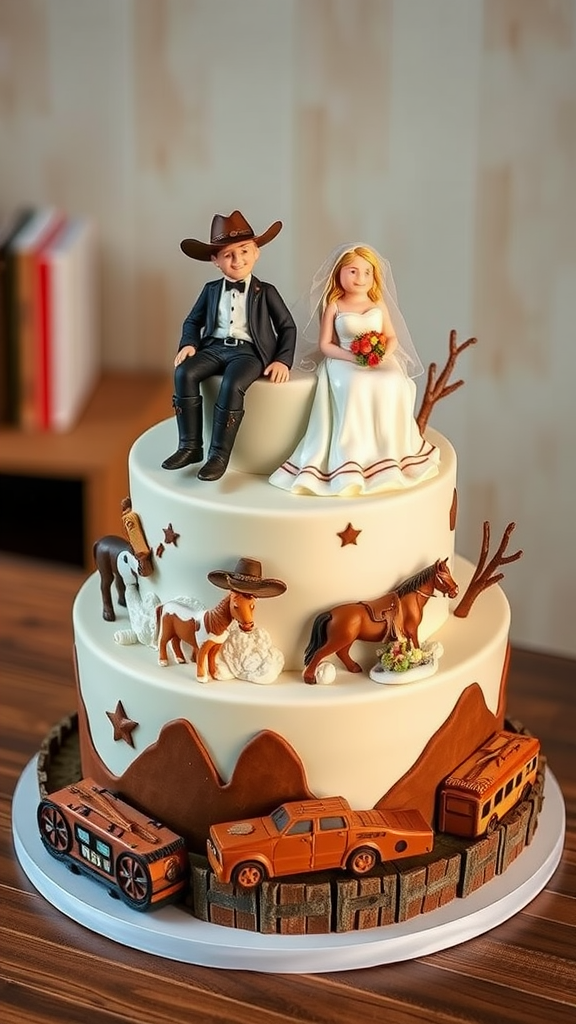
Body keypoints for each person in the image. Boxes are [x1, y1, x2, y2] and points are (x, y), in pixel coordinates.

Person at [268, 244, 439, 496]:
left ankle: (390, 449)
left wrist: (382, 354)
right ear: (339, 273)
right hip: (344, 359)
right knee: (355, 386)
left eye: (367, 272)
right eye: (353, 271)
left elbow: (391, 337)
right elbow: (325, 345)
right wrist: (351, 356)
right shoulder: (334, 305)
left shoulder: (378, 303)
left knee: (395, 382)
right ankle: (352, 454)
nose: (361, 278)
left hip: (378, 359)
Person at [162, 210, 296, 481]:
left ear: (256, 253)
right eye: (228, 255)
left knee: (232, 384)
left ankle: (219, 455)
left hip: (248, 353)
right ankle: (189, 446)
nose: (237, 260)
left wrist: (282, 360)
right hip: (213, 348)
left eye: (244, 251)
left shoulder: (266, 292)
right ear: (215, 261)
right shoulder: (210, 290)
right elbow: (193, 320)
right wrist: (189, 344)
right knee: (184, 373)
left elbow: (287, 327)